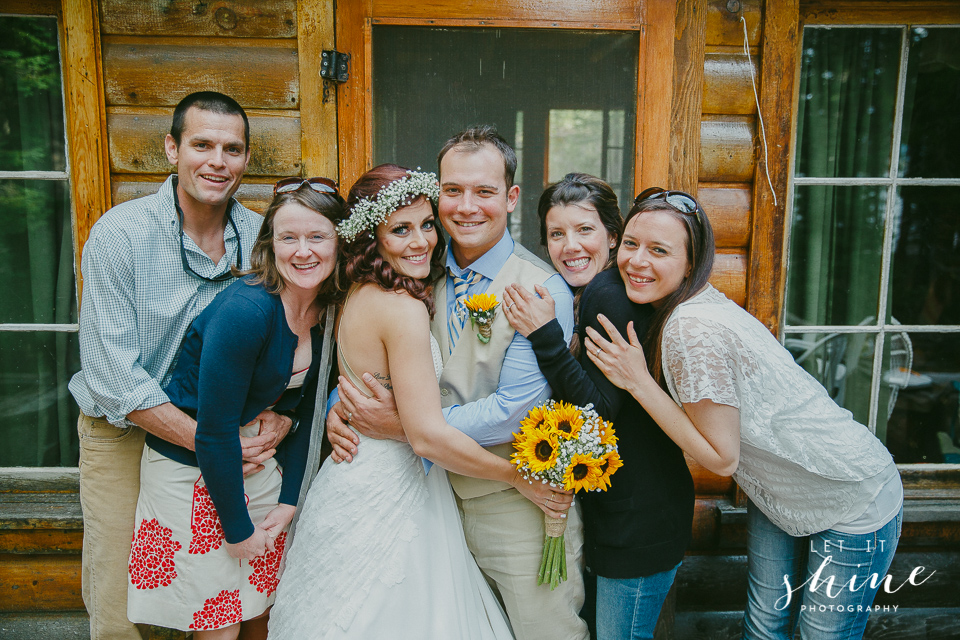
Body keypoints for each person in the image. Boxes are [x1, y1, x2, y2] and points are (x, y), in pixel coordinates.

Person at [584, 188, 903, 640]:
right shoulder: (682, 305)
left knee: (820, 635)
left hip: (848, 493)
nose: (637, 261)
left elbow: (720, 459)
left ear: (692, 263)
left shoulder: (691, 328)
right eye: (631, 244)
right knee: (765, 626)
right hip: (780, 491)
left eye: (659, 250)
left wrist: (638, 382)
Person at [268, 163, 570, 639]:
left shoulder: (357, 294)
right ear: (373, 238)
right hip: (391, 490)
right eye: (401, 230)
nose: (422, 241)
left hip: (354, 480)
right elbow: (427, 437)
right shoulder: (404, 307)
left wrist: (374, 417)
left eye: (427, 225)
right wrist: (518, 476)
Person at [69, 92, 292, 640]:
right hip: (126, 434)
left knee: (228, 597)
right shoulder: (120, 235)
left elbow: (299, 327)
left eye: (232, 149)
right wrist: (213, 441)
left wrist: (283, 413)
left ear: (244, 160)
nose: (218, 161)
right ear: (172, 148)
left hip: (234, 437)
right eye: (202, 145)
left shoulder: (266, 238)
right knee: (126, 603)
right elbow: (113, 375)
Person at [125, 179, 344, 636]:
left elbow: (306, 410)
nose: (303, 252)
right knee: (218, 623)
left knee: (261, 611)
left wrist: (290, 502)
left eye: (317, 237)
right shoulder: (246, 311)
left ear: (339, 241)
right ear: (270, 245)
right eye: (288, 238)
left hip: (260, 469)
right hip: (196, 475)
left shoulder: (328, 309)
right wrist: (238, 529)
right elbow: (211, 429)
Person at [501, 174, 694, 640]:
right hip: (632, 512)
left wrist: (545, 337)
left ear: (613, 236)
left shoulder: (608, 296)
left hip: (638, 520)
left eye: (585, 230)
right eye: (556, 233)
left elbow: (598, 412)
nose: (570, 246)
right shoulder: (596, 293)